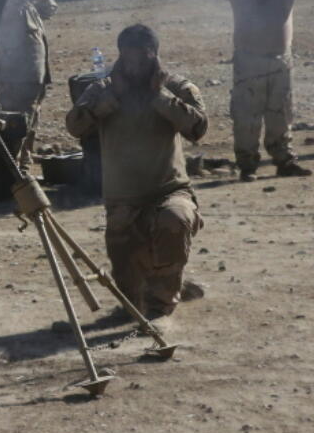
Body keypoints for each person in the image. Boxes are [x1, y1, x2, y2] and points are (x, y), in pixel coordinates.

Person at [65, 24, 208, 319]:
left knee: (174, 220)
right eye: (129, 57)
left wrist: (161, 98)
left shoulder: (175, 87)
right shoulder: (102, 88)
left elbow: (198, 128)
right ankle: (162, 287)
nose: (135, 64)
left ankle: (163, 302)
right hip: (123, 198)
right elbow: (74, 126)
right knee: (130, 295)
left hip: (169, 189)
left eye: (142, 57)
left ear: (154, 54)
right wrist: (103, 106)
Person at [195, 0, 314, 181]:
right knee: (247, 115)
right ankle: (247, 166)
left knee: (281, 113)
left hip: (281, 60)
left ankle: (284, 161)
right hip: (249, 60)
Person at [0, 0, 58, 168]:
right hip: (14, 75)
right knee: (14, 123)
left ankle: (24, 164)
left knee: (30, 119)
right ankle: (11, 168)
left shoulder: (28, 2)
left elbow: (50, 10)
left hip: (32, 75)